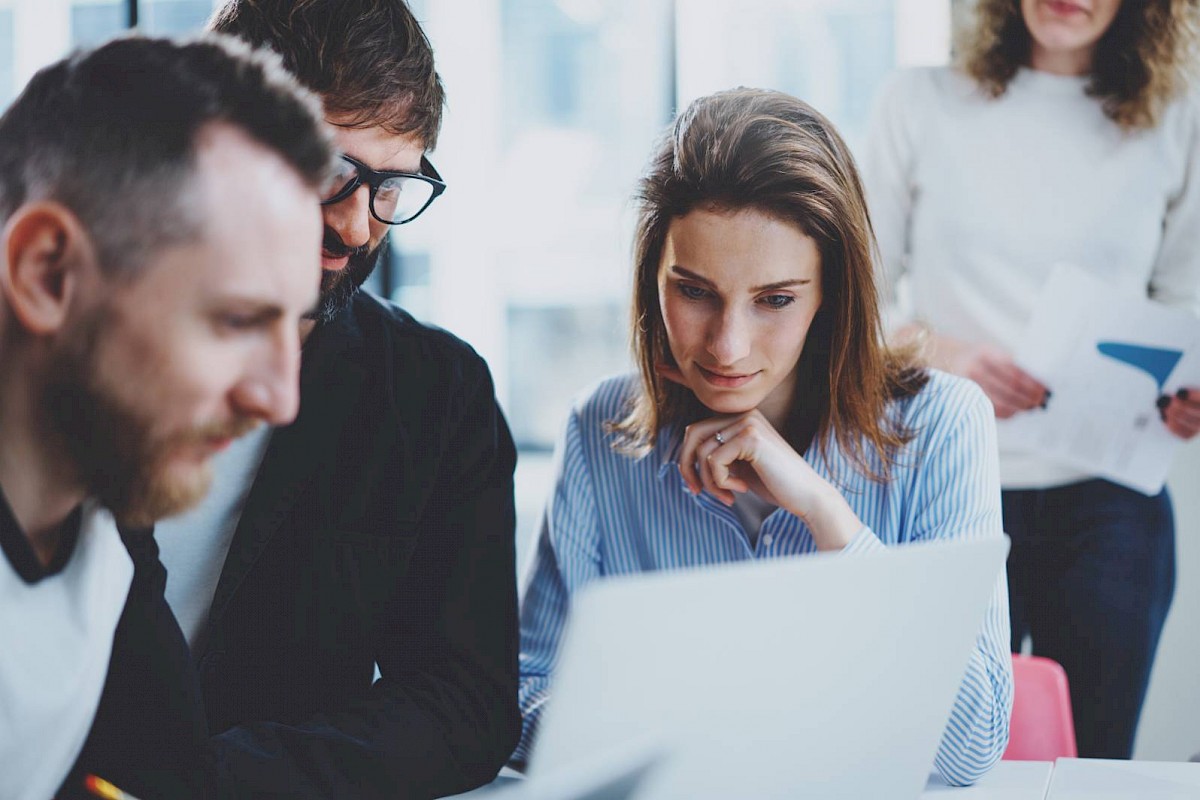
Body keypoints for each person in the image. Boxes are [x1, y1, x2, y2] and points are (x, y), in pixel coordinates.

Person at [513, 88, 1013, 787]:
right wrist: (681, 737)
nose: (727, 345)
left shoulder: (942, 425)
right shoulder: (600, 432)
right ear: (652, 281)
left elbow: (970, 747)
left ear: (830, 296)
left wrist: (826, 515)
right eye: (694, 292)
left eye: (775, 300)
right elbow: (524, 690)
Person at [152, 1, 522, 796]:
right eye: (329, 173)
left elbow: (467, 702)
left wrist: (209, 784)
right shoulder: (55, 347)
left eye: (392, 186)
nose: (355, 227)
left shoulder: (437, 394)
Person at [862, 0, 1200, 759]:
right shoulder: (917, 104)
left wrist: (1182, 395)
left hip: (1109, 503)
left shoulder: (1177, 118)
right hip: (943, 483)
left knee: (1094, 761)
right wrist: (942, 354)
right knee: (931, 754)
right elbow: (855, 307)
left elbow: (1179, 302)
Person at [0, 34, 333, 800]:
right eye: (238, 319)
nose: (280, 398)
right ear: (47, 272)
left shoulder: (97, 527)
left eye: (294, 324)